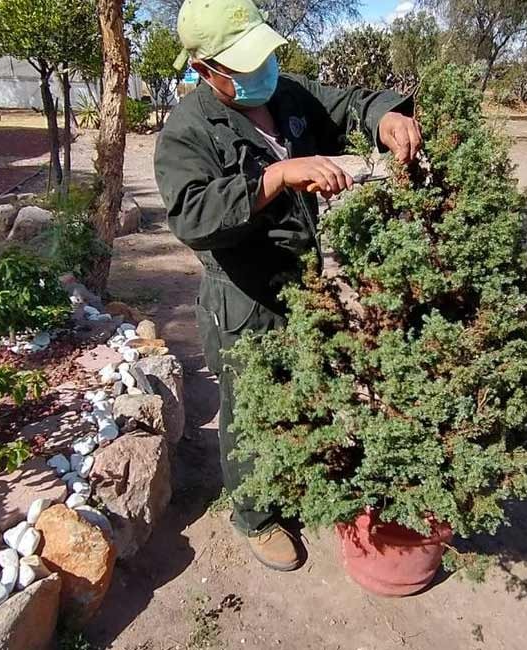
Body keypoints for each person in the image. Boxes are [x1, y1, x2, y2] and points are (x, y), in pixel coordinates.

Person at [153, 0, 423, 572]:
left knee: (303, 386)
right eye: (242, 66)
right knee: (247, 406)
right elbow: (192, 217)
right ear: (203, 69)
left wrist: (384, 116)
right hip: (241, 296)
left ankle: (297, 473)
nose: (260, 73)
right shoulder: (186, 132)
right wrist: (273, 177)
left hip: (301, 281)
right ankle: (254, 515)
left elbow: (346, 102)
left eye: (262, 57)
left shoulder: (287, 93)